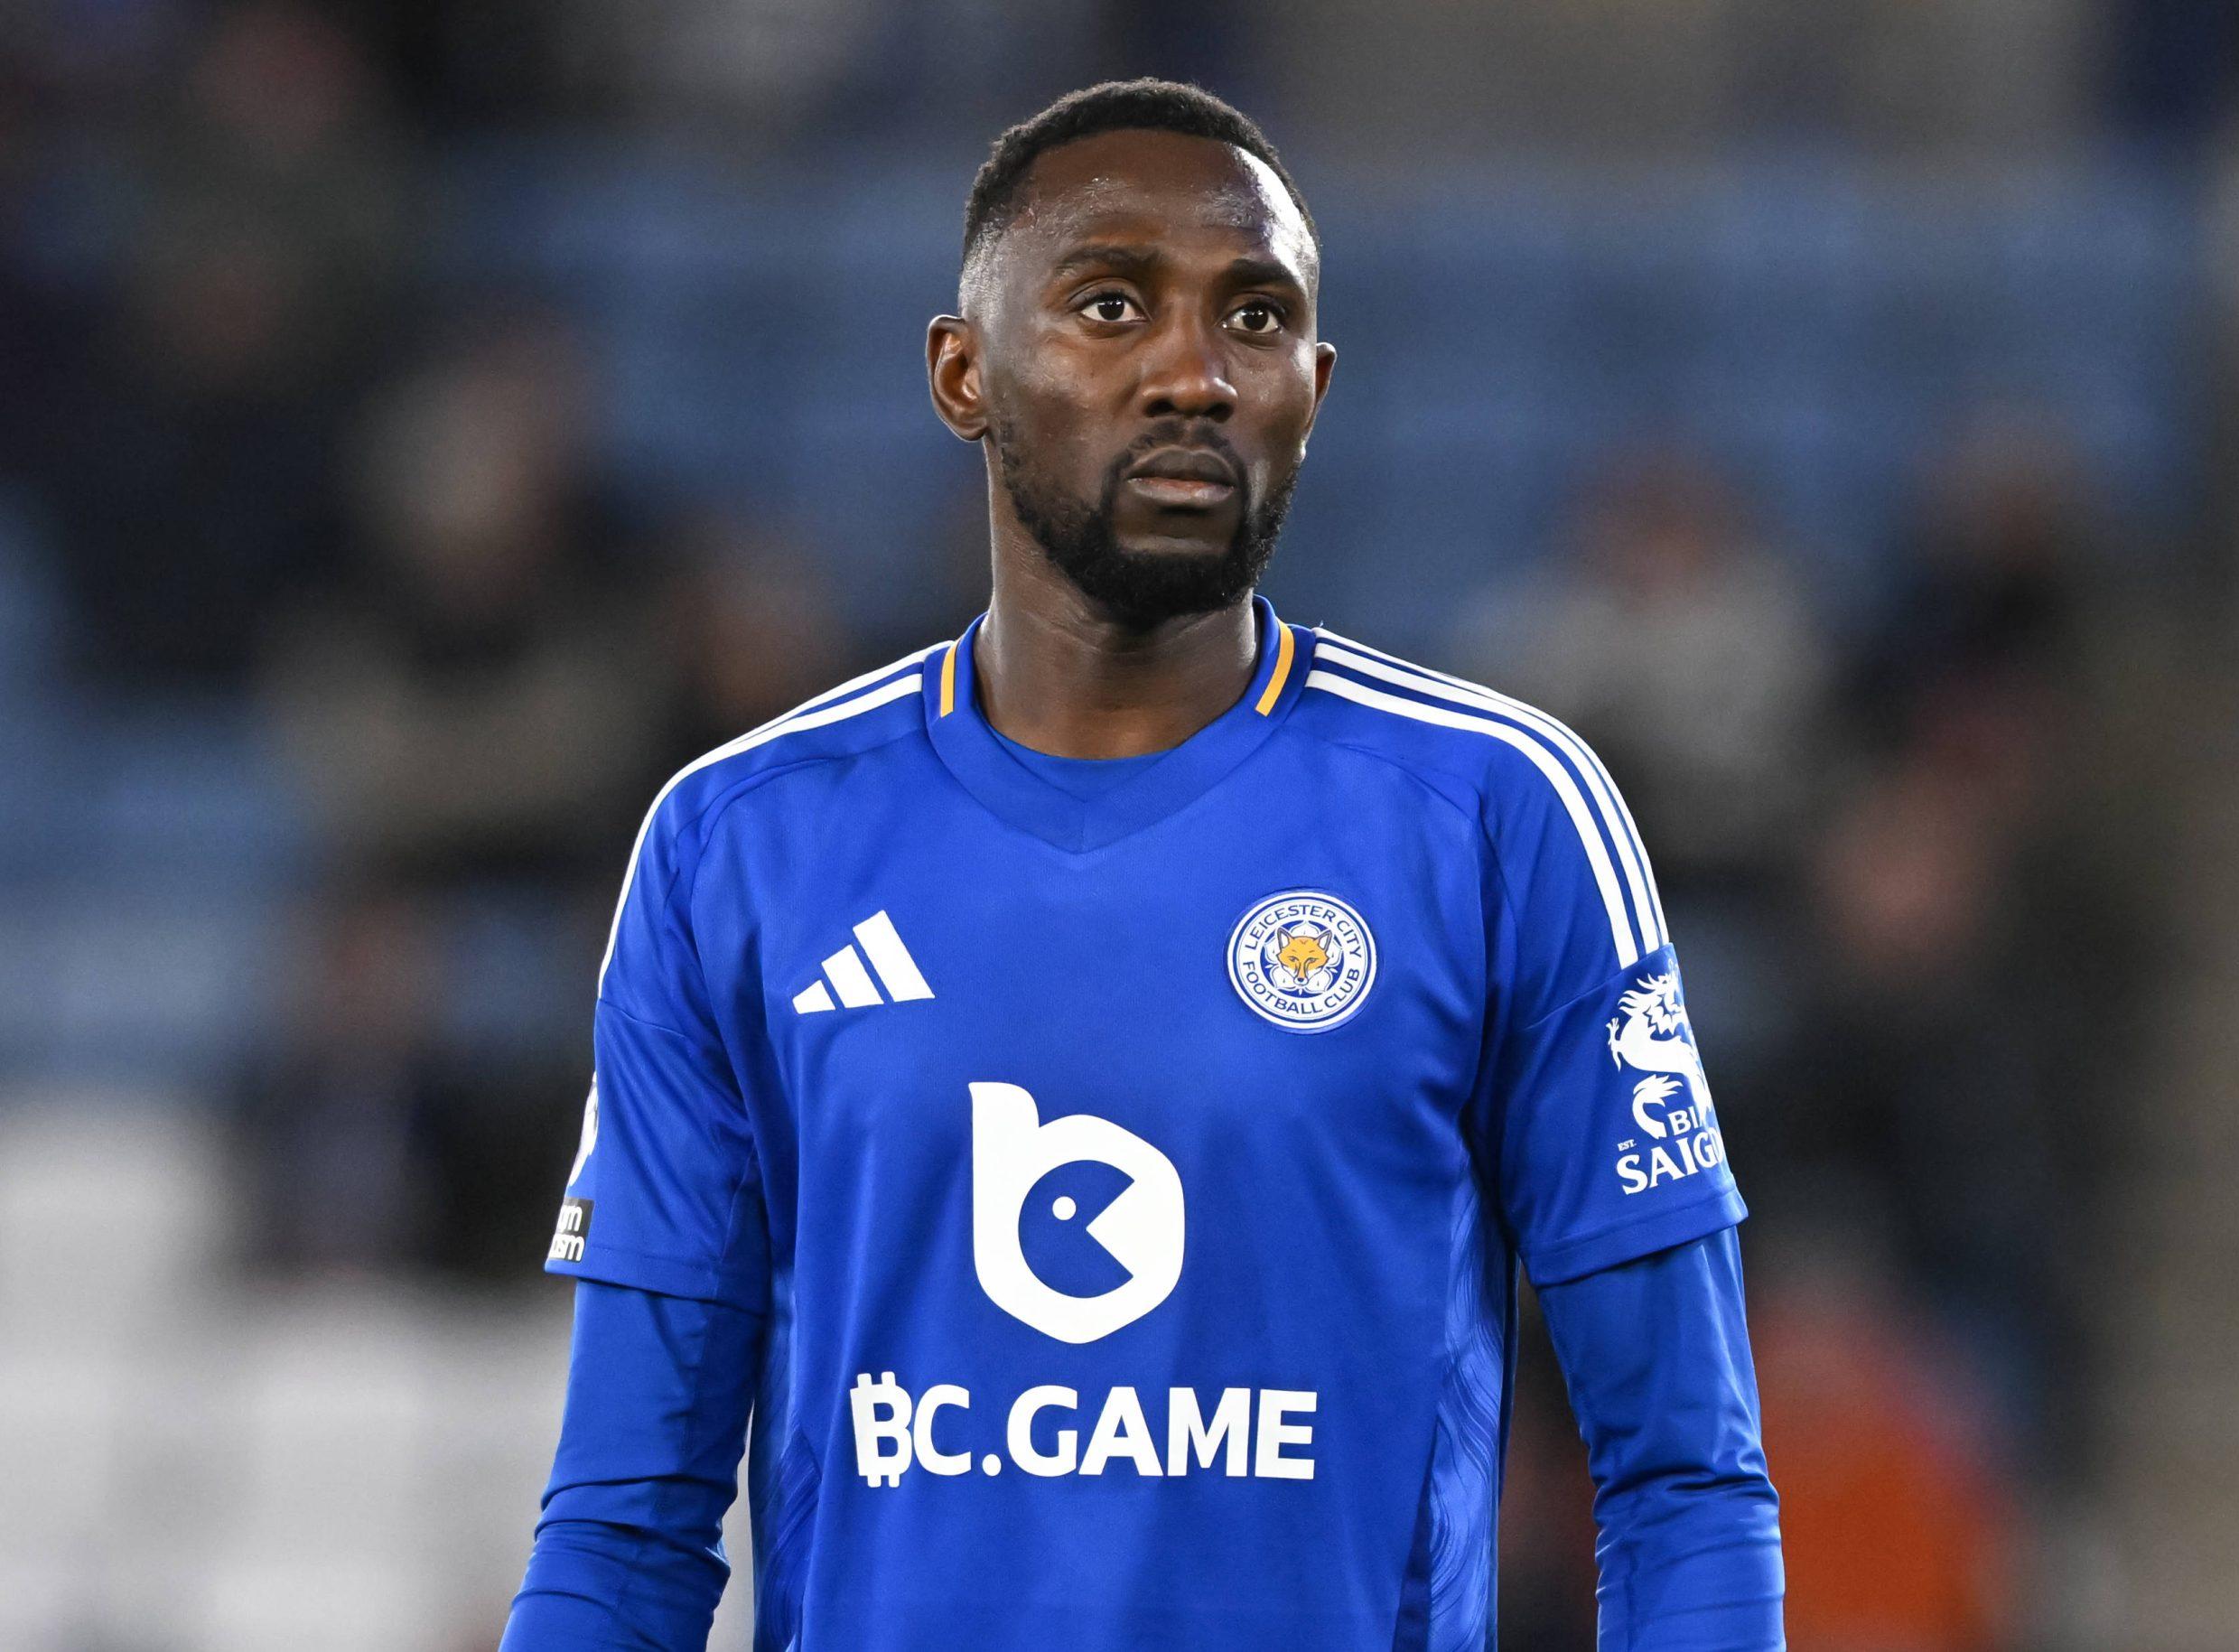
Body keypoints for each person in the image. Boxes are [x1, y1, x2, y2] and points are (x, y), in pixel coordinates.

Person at [502, 79, 1782, 1651]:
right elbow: (629, 1524)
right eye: (1113, 303)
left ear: (1313, 385)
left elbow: (1686, 1474)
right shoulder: (741, 845)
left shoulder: (1499, 818)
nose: (1194, 371)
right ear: (963, 374)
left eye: (1254, 320)